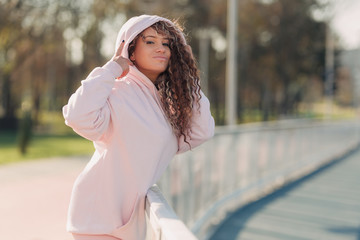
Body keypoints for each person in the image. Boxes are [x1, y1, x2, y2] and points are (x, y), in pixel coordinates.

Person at [63, 14, 215, 240]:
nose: (161, 48)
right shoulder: (116, 92)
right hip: (96, 219)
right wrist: (112, 69)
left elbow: (202, 131)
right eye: (150, 41)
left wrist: (189, 78)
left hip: (129, 226)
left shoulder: (166, 106)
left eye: (167, 43)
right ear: (131, 50)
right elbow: (77, 116)